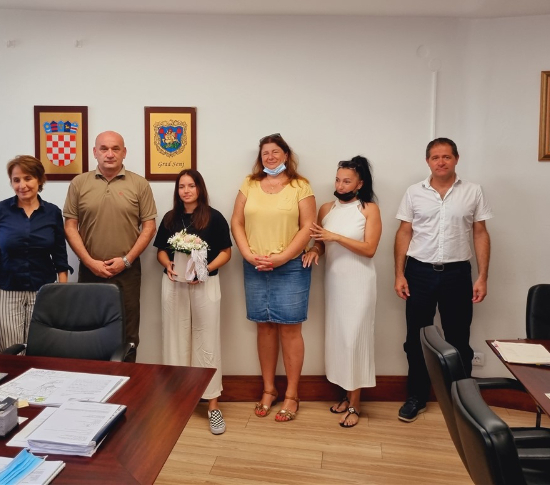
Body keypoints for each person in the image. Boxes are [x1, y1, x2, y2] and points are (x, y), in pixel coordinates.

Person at [394, 137, 492, 422]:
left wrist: (482, 277)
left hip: (457, 274)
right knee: (416, 339)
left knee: (459, 339)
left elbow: (480, 233)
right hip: (419, 273)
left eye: (446, 157)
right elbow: (404, 232)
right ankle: (417, 396)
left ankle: (463, 401)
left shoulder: (473, 191)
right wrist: (399, 273)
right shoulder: (414, 192)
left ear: (456, 159)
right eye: (435, 157)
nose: (441, 162)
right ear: (428, 161)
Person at [231, 133, 315, 423]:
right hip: (255, 265)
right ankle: (269, 390)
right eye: (265, 153)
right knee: (264, 328)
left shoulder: (300, 186)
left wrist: (282, 257)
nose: (270, 157)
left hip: (290, 267)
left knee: (290, 330)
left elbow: (308, 227)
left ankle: (292, 395)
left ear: (286, 155)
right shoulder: (249, 183)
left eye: (275, 152)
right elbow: (236, 221)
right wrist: (247, 254)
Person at [63, 131, 157, 361]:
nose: (110, 154)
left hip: (127, 271)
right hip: (90, 269)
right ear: (94, 152)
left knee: (128, 334)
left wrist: (126, 260)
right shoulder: (79, 183)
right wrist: (89, 262)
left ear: (124, 152)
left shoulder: (139, 184)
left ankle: (127, 382)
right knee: (89, 330)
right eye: (104, 148)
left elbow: (149, 227)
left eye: (115, 148)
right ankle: (94, 381)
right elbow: (70, 226)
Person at [153, 170, 232, 435]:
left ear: (200, 188)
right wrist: (168, 264)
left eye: (191, 185)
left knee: (207, 341)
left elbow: (226, 252)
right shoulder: (170, 218)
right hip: (174, 284)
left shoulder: (214, 217)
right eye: (181, 186)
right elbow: (161, 251)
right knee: (174, 338)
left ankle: (212, 405)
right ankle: (177, 401)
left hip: (205, 284)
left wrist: (205, 270)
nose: (186, 191)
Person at [305, 156, 381, 428]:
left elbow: (369, 249)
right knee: (339, 340)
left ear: (360, 184)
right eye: (338, 180)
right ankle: (346, 396)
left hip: (359, 283)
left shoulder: (369, 209)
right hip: (335, 284)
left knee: (353, 340)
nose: (340, 185)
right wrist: (315, 250)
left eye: (347, 181)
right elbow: (321, 243)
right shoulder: (326, 208)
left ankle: (355, 404)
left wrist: (336, 236)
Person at [0, 155, 71, 351]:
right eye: (16, 180)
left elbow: (60, 258)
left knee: (39, 350)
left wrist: (62, 295)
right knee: (11, 350)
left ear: (39, 179)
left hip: (43, 292)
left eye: (28, 178)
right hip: (5, 290)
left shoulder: (52, 212)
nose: (22, 185)